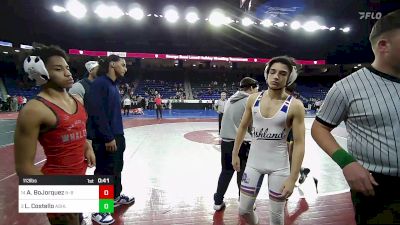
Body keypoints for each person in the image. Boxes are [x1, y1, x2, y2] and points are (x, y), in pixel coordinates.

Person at [311, 10, 400, 224]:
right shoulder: (346, 88)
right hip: (378, 187)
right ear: (383, 45)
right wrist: (346, 162)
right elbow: (319, 128)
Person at [14, 45, 96, 225]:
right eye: (58, 69)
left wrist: (86, 146)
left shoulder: (77, 100)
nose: (68, 73)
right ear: (40, 73)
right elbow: (24, 168)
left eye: (67, 67)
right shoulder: (34, 110)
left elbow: (77, 126)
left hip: (80, 177)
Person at [232, 56, 305, 225]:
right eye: (272, 72)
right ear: (266, 74)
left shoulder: (295, 106)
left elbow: (300, 143)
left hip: (279, 167)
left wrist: (293, 178)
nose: (276, 77)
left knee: (276, 217)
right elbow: (243, 127)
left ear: (289, 78)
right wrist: (235, 154)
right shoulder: (253, 99)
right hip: (253, 163)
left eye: (282, 73)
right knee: (243, 210)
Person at [86, 55, 135, 225]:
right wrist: (107, 137)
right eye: (123, 65)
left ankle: (115, 196)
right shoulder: (100, 84)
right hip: (106, 137)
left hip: (116, 135)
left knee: (116, 169)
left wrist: (117, 136)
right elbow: (96, 112)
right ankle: (100, 209)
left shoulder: (113, 85)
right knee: (104, 173)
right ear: (112, 64)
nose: (125, 68)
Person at [213, 77, 259, 211]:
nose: (257, 92)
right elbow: (251, 126)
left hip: (226, 143)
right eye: (256, 89)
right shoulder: (249, 101)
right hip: (242, 143)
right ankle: (244, 201)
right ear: (251, 88)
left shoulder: (230, 99)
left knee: (226, 172)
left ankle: (218, 201)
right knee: (243, 173)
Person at [285, 83, 311, 185]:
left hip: (291, 132)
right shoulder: (288, 100)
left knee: (289, 156)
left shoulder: (295, 103)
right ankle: (302, 171)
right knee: (288, 157)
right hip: (287, 132)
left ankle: (292, 177)